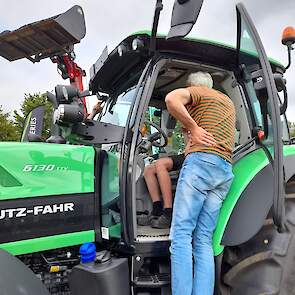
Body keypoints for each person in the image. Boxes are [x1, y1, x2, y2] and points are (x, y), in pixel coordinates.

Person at [165, 72, 235, 295]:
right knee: (203, 239)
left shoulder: (199, 91)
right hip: (224, 171)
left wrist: (193, 129)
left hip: (202, 164)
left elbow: (171, 100)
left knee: (181, 235)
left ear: (193, 86)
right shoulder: (227, 102)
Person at [142, 153, 184, 229]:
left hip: (192, 154)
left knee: (160, 163)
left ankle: (168, 212)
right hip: (185, 154)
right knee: (148, 170)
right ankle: (157, 209)